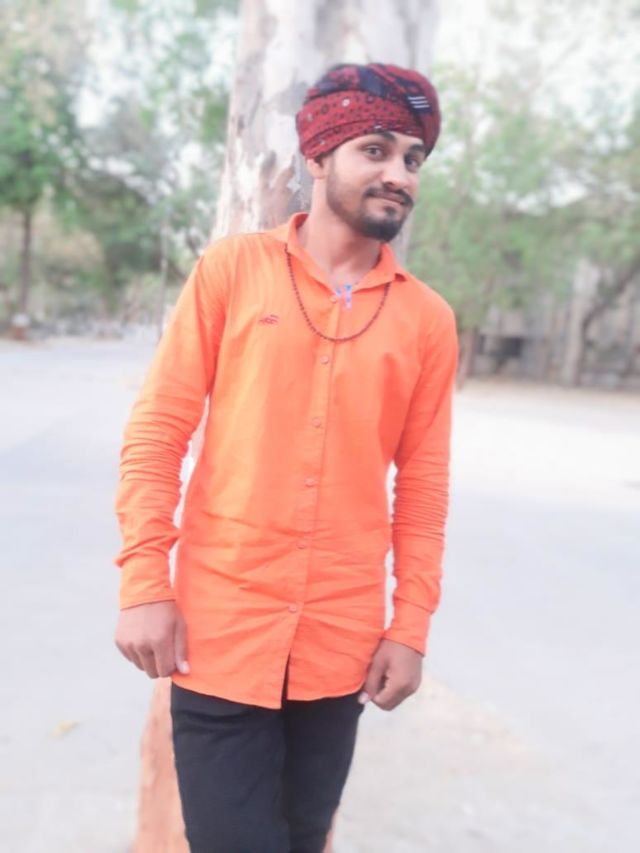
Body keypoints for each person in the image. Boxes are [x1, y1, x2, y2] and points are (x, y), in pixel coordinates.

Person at [114, 62, 458, 853]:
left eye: (413, 158)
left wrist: (410, 625)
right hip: (221, 634)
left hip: (339, 649)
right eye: (376, 150)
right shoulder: (232, 271)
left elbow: (424, 486)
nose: (400, 174)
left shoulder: (427, 320)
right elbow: (158, 431)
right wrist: (144, 581)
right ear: (319, 156)